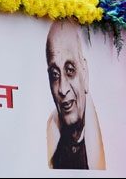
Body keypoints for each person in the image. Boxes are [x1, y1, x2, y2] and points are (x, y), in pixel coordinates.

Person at [45, 19, 106, 169]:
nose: (62, 89)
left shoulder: (108, 131)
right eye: (54, 74)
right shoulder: (52, 131)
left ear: (84, 73)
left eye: (70, 70)